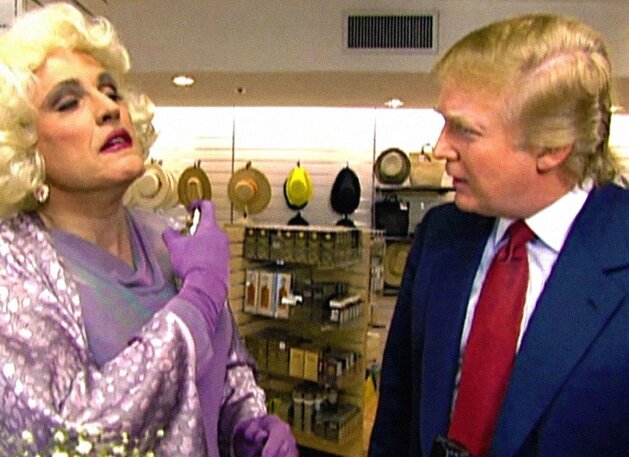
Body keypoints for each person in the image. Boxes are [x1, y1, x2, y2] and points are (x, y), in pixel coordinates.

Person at [0, 3, 298, 457]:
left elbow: (226, 367)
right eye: (68, 102)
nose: (108, 108)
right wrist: (196, 303)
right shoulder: (13, 267)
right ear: (26, 145)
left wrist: (245, 424)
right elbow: (69, 432)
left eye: (109, 91)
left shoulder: (170, 239)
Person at [369, 13, 628, 457]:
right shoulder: (440, 237)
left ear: (551, 148)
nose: (440, 148)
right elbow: (397, 414)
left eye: (465, 130)